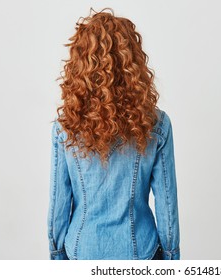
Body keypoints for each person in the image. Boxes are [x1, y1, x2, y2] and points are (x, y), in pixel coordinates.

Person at [47, 7, 180, 260]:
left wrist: (57, 257)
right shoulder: (156, 124)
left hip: (82, 250)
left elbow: (58, 208)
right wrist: (172, 259)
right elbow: (167, 208)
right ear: (133, 64)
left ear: (79, 65)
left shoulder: (66, 127)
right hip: (139, 251)